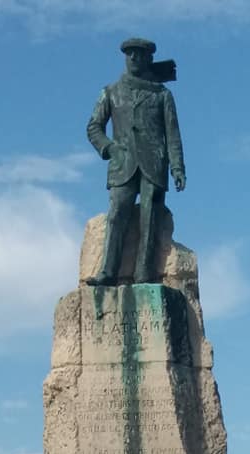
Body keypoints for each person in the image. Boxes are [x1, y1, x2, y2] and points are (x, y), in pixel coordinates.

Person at [86, 37, 186, 286]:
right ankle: (107, 272)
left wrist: (177, 167)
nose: (133, 58)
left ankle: (144, 273)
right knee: (117, 213)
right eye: (129, 54)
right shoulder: (110, 92)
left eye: (139, 54)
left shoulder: (162, 94)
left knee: (150, 217)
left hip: (153, 163)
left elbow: (173, 133)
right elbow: (94, 127)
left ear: (148, 58)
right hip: (123, 163)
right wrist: (109, 148)